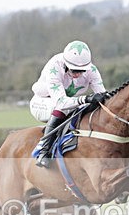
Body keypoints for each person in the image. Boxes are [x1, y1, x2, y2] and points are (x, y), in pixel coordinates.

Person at [29, 40, 107, 168]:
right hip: (42, 103)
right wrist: (85, 99)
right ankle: (43, 149)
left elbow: (103, 95)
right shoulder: (54, 66)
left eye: (81, 70)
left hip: (68, 102)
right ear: (66, 64)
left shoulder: (92, 69)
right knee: (64, 108)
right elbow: (61, 102)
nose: (78, 74)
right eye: (74, 70)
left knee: (91, 107)